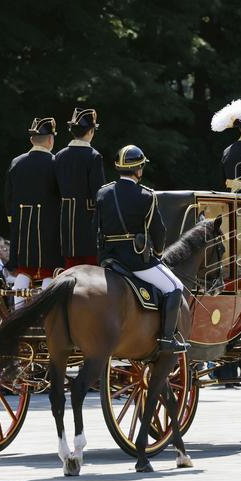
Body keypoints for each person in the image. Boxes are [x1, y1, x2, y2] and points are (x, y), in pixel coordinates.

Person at [96, 145, 188, 353]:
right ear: (139, 170)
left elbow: (96, 227)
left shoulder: (103, 192)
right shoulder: (147, 195)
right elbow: (159, 231)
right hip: (135, 260)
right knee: (175, 287)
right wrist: (157, 255)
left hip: (108, 259)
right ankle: (166, 339)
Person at [5, 117, 63, 305]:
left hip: (22, 229)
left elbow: (8, 198)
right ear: (50, 140)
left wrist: (13, 221)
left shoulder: (16, 163)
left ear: (31, 140)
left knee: (24, 271)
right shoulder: (56, 164)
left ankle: (18, 312)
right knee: (49, 271)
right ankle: (44, 316)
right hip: (49, 230)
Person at [55, 107, 105, 268]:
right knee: (91, 267)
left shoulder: (60, 155)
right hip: (89, 219)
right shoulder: (94, 156)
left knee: (70, 266)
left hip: (65, 218)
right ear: (91, 131)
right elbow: (100, 193)